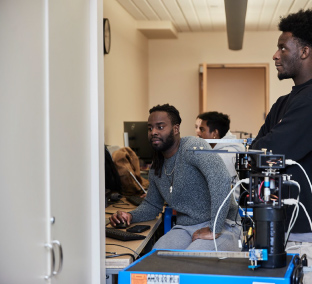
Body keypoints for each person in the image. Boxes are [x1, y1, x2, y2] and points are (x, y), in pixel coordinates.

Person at [110, 104, 241, 251]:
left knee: (191, 262)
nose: (153, 132)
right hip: (185, 227)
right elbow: (152, 205)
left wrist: (214, 229)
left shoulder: (194, 146)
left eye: (160, 127)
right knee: (157, 256)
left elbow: (221, 182)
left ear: (175, 129)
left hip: (224, 225)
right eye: (150, 128)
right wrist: (130, 216)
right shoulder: (157, 166)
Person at [250, 9, 312, 282]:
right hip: (277, 227)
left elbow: (272, 151)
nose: (275, 55)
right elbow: (255, 151)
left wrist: (265, 149)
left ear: (304, 52)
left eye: (282, 48)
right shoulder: (282, 104)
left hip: (304, 233)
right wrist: (263, 149)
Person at [195, 111, 245, 179]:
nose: (198, 133)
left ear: (215, 133)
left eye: (202, 130)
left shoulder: (223, 156)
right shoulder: (227, 149)